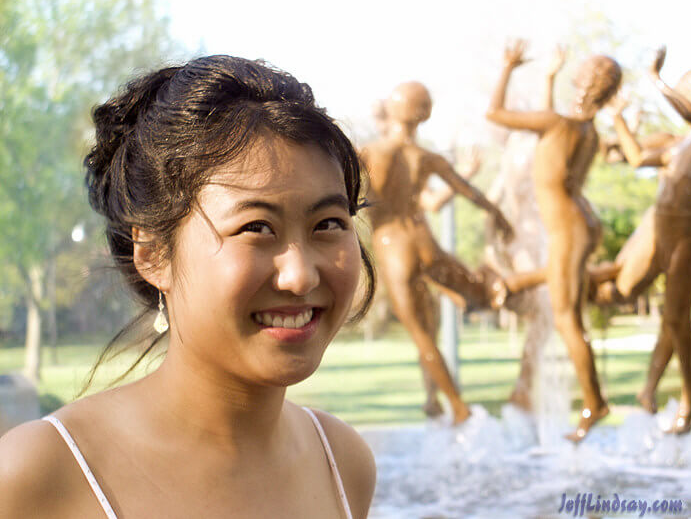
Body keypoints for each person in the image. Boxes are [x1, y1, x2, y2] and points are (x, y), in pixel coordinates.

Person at [0, 55, 376, 518]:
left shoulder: (341, 460)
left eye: (329, 223)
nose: (300, 275)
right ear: (153, 253)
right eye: (257, 227)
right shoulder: (42, 473)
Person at [486, 40, 622, 441]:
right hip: (580, 224)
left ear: (580, 81)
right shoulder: (587, 132)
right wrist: (548, 77)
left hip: (568, 230)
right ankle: (594, 400)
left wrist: (508, 66)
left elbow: (495, 113)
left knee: (565, 319)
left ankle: (595, 403)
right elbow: (547, 143)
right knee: (566, 314)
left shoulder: (557, 124)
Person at [362, 82, 514, 424]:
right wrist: (497, 213)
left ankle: (458, 408)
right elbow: (466, 190)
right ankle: (433, 399)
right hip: (425, 243)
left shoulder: (369, 152)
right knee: (440, 316)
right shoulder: (426, 157)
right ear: (424, 115)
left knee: (421, 335)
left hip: (394, 247)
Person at [602, 47, 691, 433]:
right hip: (661, 235)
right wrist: (620, 121)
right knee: (626, 294)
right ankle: (650, 391)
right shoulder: (679, 145)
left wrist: (655, 79)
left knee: (675, 318)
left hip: (689, 243)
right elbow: (637, 157)